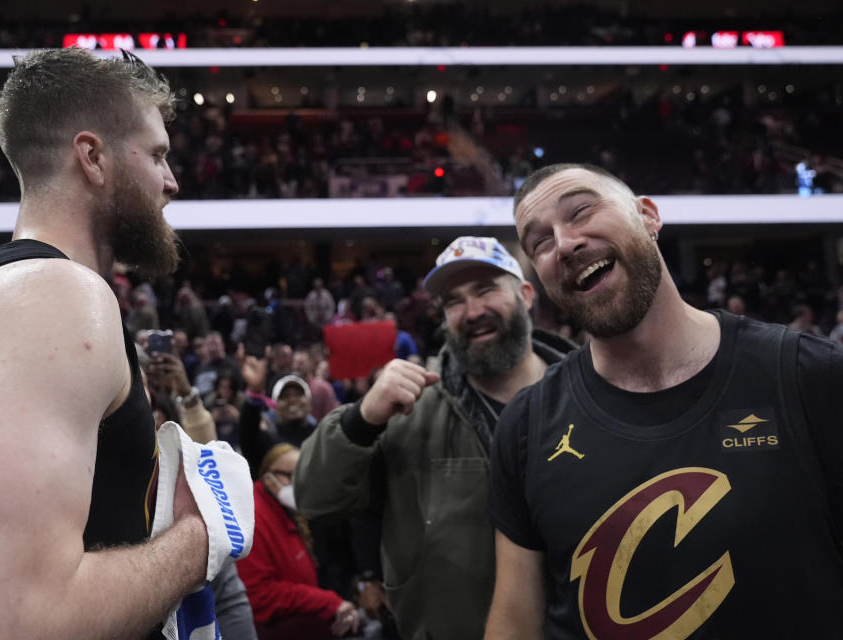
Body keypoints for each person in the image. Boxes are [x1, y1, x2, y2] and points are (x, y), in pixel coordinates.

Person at [0, 48, 213, 640]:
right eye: (157, 155)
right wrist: (199, 538)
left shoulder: (29, 291)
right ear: (92, 157)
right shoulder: (52, 296)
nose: (171, 182)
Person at [486, 162, 843, 639]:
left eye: (581, 211)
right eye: (540, 242)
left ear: (648, 216)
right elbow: (514, 624)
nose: (565, 244)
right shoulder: (527, 427)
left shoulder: (810, 376)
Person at [295, 236, 574, 640]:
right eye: (454, 301)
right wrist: (361, 420)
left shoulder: (585, 393)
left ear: (526, 294)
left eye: (486, 289)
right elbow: (315, 499)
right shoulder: (410, 408)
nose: (472, 312)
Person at [236, 444, 360, 640]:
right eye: (295, 475)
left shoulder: (284, 510)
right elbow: (258, 594)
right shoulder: (253, 520)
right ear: (270, 480)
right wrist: (326, 602)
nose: (304, 483)